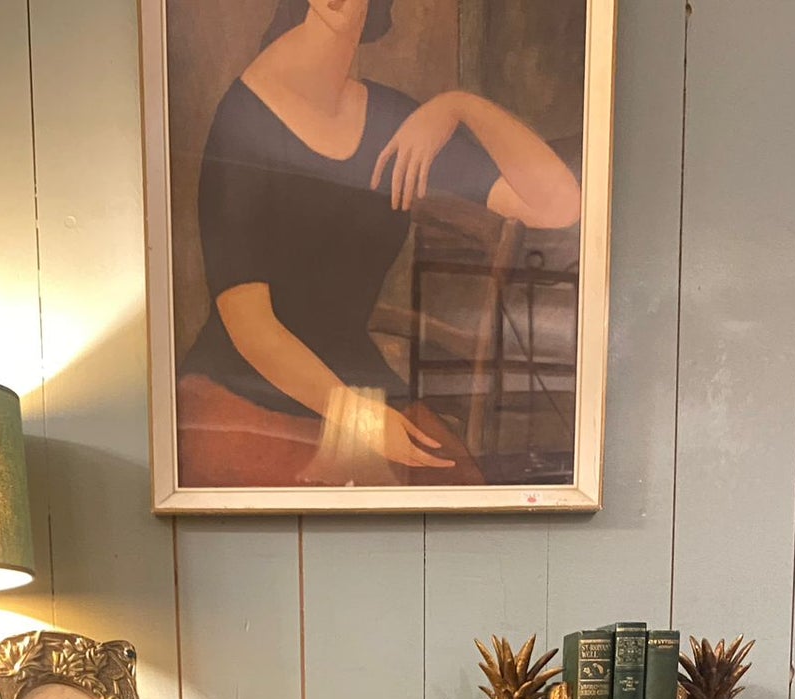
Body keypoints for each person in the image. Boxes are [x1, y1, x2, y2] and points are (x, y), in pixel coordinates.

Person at [176, 0, 581, 488]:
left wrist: (461, 107)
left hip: (361, 385)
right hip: (239, 392)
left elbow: (558, 206)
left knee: (460, 500)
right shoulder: (244, 119)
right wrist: (359, 419)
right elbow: (248, 324)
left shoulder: (394, 120)